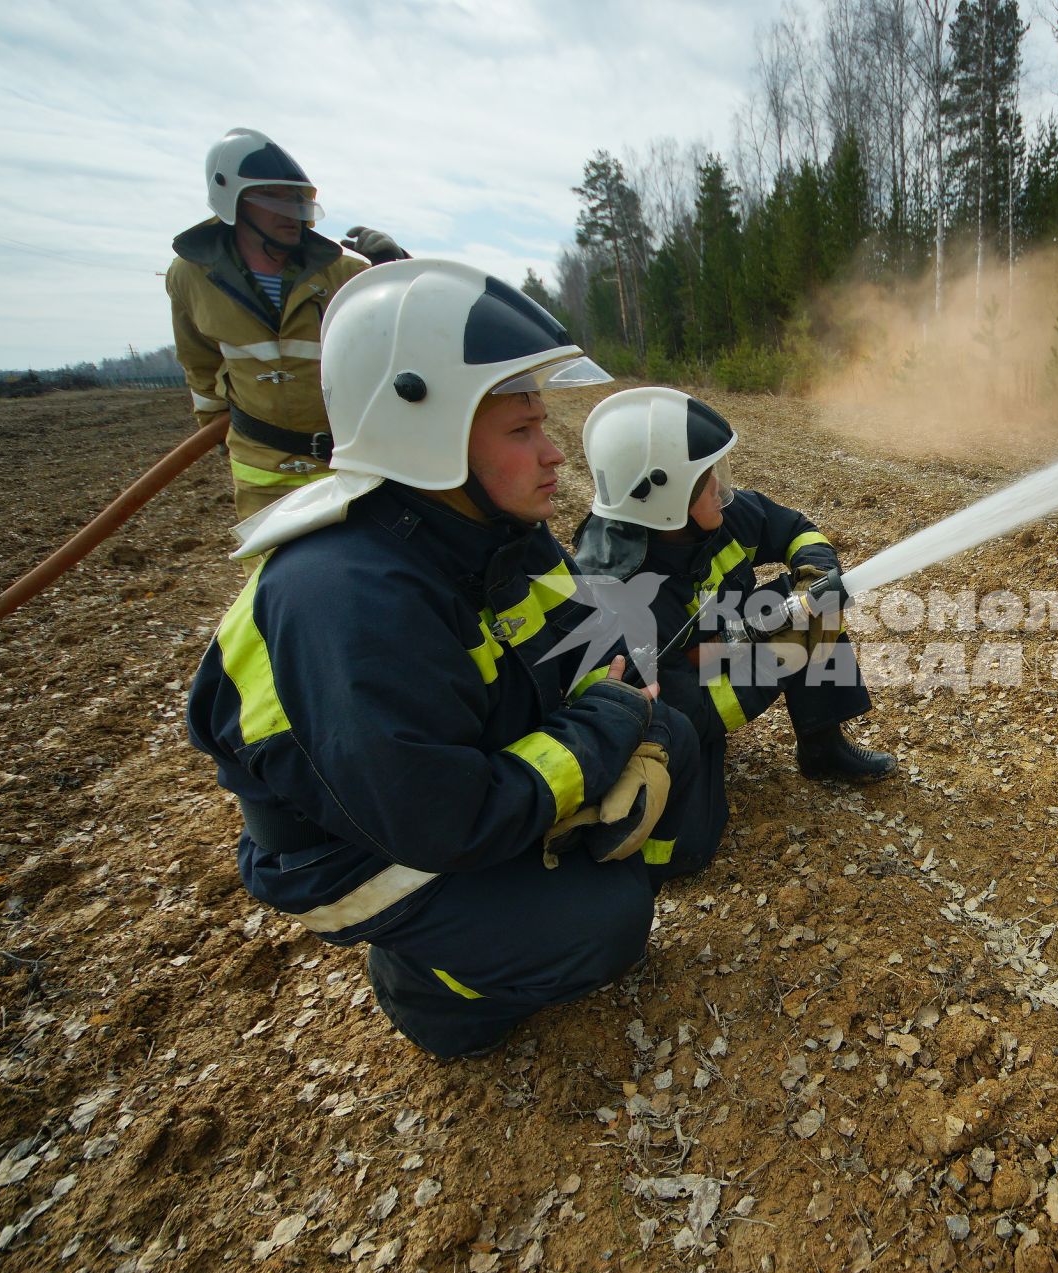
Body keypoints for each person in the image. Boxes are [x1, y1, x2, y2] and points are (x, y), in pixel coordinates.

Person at [185, 260, 723, 1060]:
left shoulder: (494, 532)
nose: (553, 457)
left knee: (673, 737)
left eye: (542, 427)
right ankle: (430, 992)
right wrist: (600, 736)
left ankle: (542, 887)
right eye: (520, 432)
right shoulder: (344, 597)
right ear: (424, 433)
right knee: (603, 926)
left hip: (465, 774)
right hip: (360, 848)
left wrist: (634, 725)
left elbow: (599, 643)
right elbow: (443, 818)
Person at [572, 387, 896, 811]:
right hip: (674, 707)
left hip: (718, 646)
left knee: (813, 602)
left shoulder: (715, 517)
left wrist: (813, 576)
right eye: (706, 476)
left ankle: (822, 747)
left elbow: (797, 528)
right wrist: (775, 656)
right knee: (692, 829)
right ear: (669, 499)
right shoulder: (622, 588)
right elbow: (688, 707)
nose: (721, 485)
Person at [167, 127, 410, 520]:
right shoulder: (190, 277)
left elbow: (411, 337)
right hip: (260, 473)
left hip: (350, 465)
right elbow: (199, 365)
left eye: (297, 198)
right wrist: (219, 429)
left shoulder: (344, 272)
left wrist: (394, 271)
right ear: (234, 202)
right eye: (274, 198)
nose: (291, 211)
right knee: (269, 580)